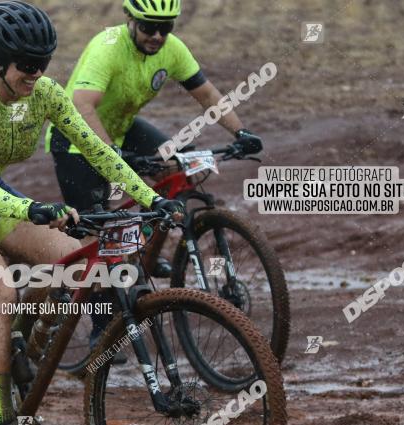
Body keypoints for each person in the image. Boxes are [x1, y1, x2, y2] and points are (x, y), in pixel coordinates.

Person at [0, 1, 181, 425]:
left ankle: (19, 344)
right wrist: (33, 208)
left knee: (74, 260)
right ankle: (1, 424)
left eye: (43, 64)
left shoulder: (46, 94)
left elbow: (98, 151)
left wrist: (150, 197)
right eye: (26, 67)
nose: (35, 74)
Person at [45, 0, 263, 348]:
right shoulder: (107, 48)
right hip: (76, 139)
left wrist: (240, 132)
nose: (158, 36)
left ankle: (144, 255)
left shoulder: (171, 49)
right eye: (149, 27)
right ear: (130, 19)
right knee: (101, 233)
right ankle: (102, 330)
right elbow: (82, 105)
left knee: (179, 163)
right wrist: (111, 154)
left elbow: (205, 92)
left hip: (121, 128)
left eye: (166, 27)